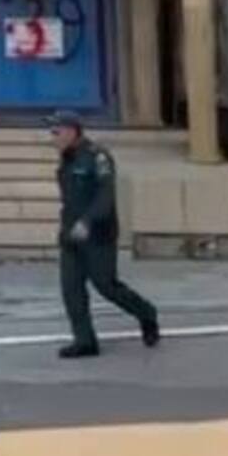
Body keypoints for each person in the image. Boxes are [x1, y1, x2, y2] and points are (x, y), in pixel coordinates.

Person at [49, 111, 159, 358]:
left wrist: (87, 222)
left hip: (98, 235)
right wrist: (67, 227)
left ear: (72, 131)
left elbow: (105, 196)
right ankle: (85, 340)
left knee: (106, 286)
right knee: (71, 288)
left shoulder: (98, 157)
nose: (53, 138)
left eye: (57, 132)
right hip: (71, 235)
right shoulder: (66, 158)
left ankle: (146, 314)